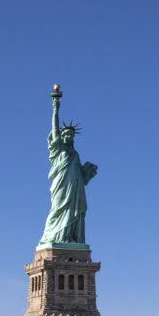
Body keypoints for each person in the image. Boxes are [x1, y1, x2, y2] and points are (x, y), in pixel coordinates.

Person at [39, 95, 97, 245]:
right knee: (57, 209)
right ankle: (51, 236)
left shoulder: (75, 154)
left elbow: (81, 176)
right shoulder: (59, 150)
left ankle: (68, 237)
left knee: (72, 211)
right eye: (65, 135)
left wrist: (89, 173)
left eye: (71, 135)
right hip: (61, 184)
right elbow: (55, 130)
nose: (68, 137)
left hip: (75, 187)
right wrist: (55, 109)